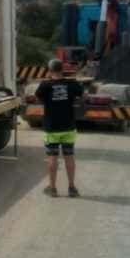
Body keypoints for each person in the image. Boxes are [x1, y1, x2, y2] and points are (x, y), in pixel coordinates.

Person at [35, 58, 83, 198]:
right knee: (69, 157)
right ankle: (72, 188)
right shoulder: (72, 84)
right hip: (68, 127)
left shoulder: (45, 85)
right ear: (62, 70)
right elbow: (82, 97)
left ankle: (53, 188)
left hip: (51, 128)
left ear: (49, 71)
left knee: (52, 157)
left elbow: (38, 98)